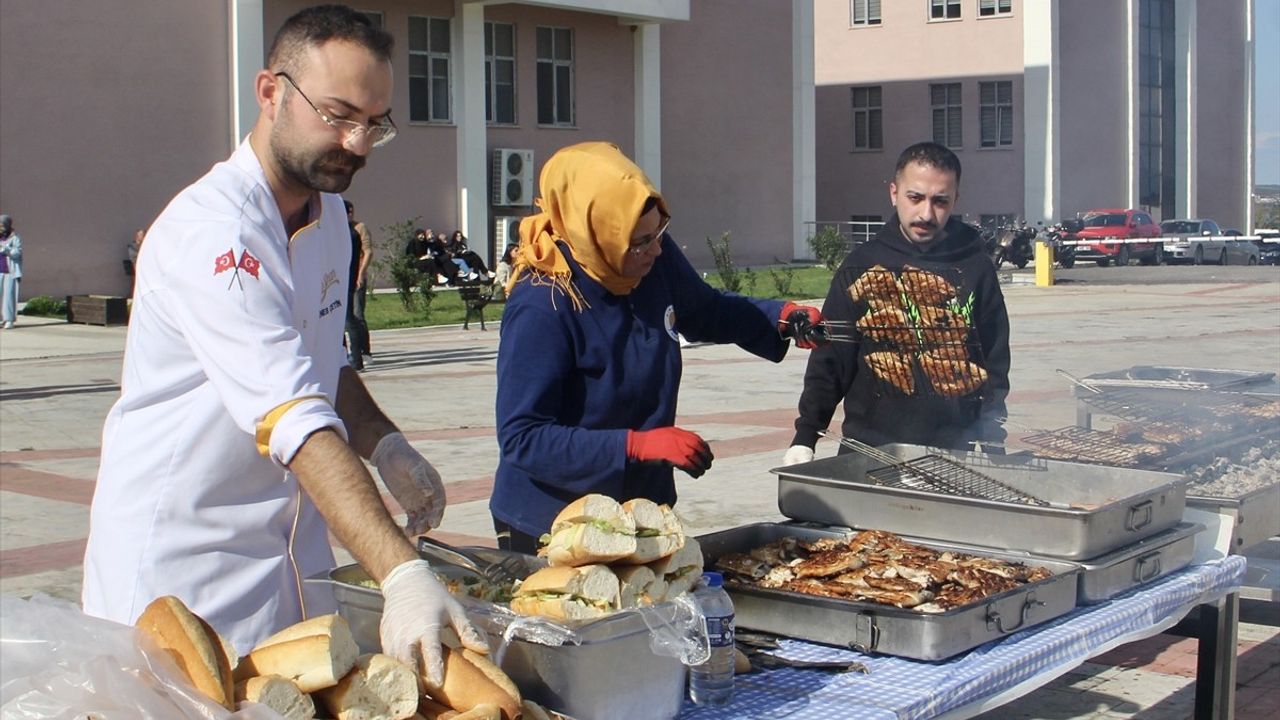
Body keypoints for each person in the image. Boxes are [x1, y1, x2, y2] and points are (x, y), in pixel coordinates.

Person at [81, 5, 485, 685]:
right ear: (270, 93)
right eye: (338, 114)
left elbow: (322, 361)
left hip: (289, 566)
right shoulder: (216, 234)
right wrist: (403, 573)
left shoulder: (326, 217)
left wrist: (386, 444)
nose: (356, 143)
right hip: (184, 573)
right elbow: (293, 414)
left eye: (374, 124)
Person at [490, 141, 826, 552]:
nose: (656, 249)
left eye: (659, 232)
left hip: (639, 505)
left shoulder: (650, 259)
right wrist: (636, 444)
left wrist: (781, 316)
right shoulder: (543, 302)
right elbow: (524, 437)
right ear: (600, 234)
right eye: (640, 242)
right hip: (554, 522)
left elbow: (705, 309)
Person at [783, 141, 1010, 466]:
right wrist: (805, 437)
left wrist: (992, 441)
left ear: (955, 200)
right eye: (915, 198)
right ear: (894, 193)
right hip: (868, 452)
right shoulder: (861, 265)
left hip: (953, 455)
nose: (926, 214)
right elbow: (829, 362)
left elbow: (994, 361)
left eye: (940, 201)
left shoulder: (975, 267)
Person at [344, 200, 372, 369]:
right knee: (348, 318)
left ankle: (364, 351)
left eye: (352, 212)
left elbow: (368, 251)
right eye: (348, 212)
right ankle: (351, 354)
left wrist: (361, 273)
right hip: (345, 278)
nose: (351, 215)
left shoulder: (358, 228)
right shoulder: (339, 229)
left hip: (356, 276)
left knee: (357, 314)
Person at [0, 214, 21, 329]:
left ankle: (8, 319)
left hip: (9, 271)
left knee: (8, 296)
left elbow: (17, 253)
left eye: (2, 224)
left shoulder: (15, 237)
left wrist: (6, 249)